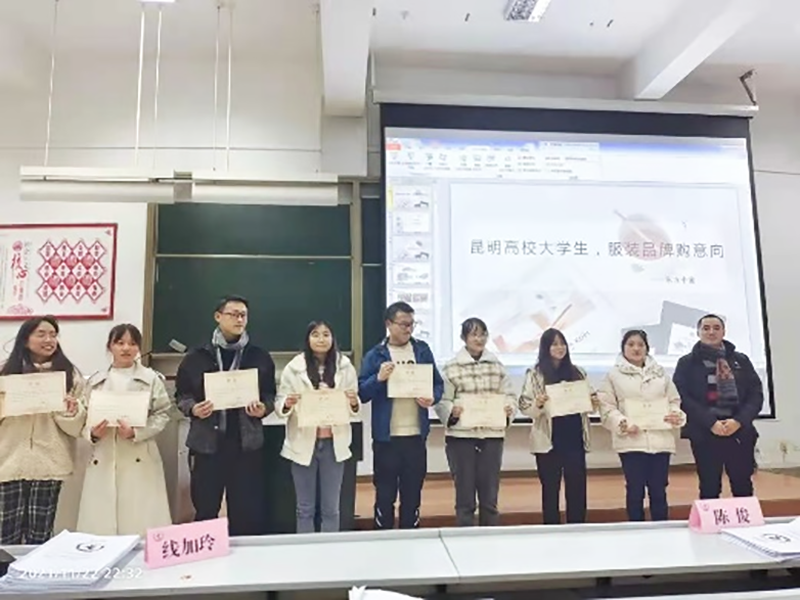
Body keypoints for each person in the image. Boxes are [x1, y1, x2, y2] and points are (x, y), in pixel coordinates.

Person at [175, 295, 276, 536]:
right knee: (206, 508)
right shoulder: (197, 356)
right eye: (233, 314)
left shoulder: (259, 356)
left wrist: (264, 408)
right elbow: (182, 395)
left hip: (246, 445)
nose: (239, 319)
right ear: (218, 317)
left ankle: (244, 557)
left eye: (243, 315)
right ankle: (206, 554)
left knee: (245, 511)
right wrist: (193, 408)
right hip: (207, 445)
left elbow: (270, 395)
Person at [77, 324, 173, 535]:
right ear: (110, 346)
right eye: (120, 343)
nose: (126, 348)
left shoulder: (151, 378)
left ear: (139, 347)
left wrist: (137, 433)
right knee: (101, 521)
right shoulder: (96, 381)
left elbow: (163, 413)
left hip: (139, 454)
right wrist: (92, 434)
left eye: (132, 343)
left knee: (139, 517)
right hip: (103, 454)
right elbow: (82, 417)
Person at [0, 315, 85, 544]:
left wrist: (69, 410)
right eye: (41, 334)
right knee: (5, 535)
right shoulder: (5, 373)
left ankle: (36, 569)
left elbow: (77, 427)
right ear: (25, 339)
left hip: (49, 463)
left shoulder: (69, 375)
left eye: (53, 335)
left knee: (40, 535)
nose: (49, 340)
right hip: (8, 462)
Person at [358, 301, 444, 529]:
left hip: (415, 435)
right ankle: (383, 537)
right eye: (404, 324)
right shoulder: (375, 354)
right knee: (385, 495)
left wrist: (432, 398)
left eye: (412, 324)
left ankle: (411, 537)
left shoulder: (422, 350)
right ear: (389, 324)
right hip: (386, 438)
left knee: (412, 494)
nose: (408, 329)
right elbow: (362, 393)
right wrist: (378, 379)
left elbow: (437, 384)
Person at [276, 321, 361, 533]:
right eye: (315, 334)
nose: (321, 339)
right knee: (304, 508)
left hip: (334, 444)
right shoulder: (294, 368)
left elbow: (354, 407)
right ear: (308, 339)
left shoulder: (345, 366)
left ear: (333, 338)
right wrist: (287, 403)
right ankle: (305, 549)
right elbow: (280, 403)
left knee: (331, 509)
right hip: (303, 442)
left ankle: (329, 550)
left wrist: (353, 402)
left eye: (326, 334)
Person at [436, 317, 516, 527]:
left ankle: (490, 538)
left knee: (490, 497)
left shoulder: (497, 366)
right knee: (465, 497)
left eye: (483, 334)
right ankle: (464, 538)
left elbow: (509, 395)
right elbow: (443, 400)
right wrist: (452, 412)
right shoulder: (451, 367)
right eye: (474, 334)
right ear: (464, 338)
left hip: (491, 436)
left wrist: (508, 409)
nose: (479, 339)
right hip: (461, 437)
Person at [598, 330, 686, 522]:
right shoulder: (613, 375)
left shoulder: (660, 373)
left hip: (660, 440)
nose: (636, 348)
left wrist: (675, 414)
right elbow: (606, 407)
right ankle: (635, 529)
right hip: (631, 440)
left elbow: (674, 400)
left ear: (647, 348)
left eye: (640, 344)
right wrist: (623, 423)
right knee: (635, 489)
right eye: (631, 344)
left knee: (659, 489)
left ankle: (661, 528)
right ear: (623, 348)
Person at [673, 314, 763, 499]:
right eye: (706, 328)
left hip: (738, 432)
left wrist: (738, 421)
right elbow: (683, 397)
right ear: (698, 332)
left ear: (724, 331)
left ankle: (743, 519)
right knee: (709, 486)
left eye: (716, 328)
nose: (711, 332)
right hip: (705, 432)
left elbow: (756, 394)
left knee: (742, 484)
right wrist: (711, 422)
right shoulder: (687, 363)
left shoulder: (741, 360)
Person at [518, 328, 596, 525]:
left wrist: (593, 401)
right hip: (548, 440)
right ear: (545, 348)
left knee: (577, 489)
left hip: (574, 437)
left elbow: (591, 404)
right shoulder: (535, 374)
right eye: (554, 344)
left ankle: (577, 528)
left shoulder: (578, 372)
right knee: (550, 490)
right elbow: (525, 407)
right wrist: (538, 404)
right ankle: (551, 529)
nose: (560, 348)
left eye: (562, 344)